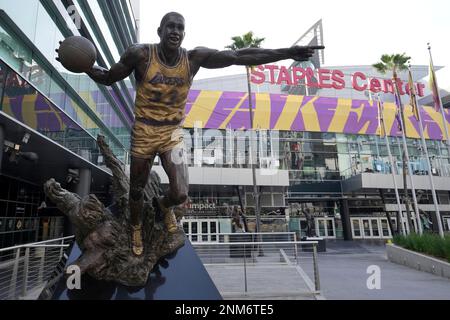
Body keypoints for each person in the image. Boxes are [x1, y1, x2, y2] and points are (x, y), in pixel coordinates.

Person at [83, 12, 323, 256]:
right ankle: (135, 226)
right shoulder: (141, 54)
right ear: (160, 31)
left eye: (180, 28)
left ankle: (162, 206)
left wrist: (288, 53)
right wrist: (85, 66)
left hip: (171, 134)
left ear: (184, 33)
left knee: (180, 193)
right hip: (144, 130)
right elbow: (109, 77)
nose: (175, 31)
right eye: (170, 27)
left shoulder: (193, 58)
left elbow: (239, 56)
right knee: (136, 189)